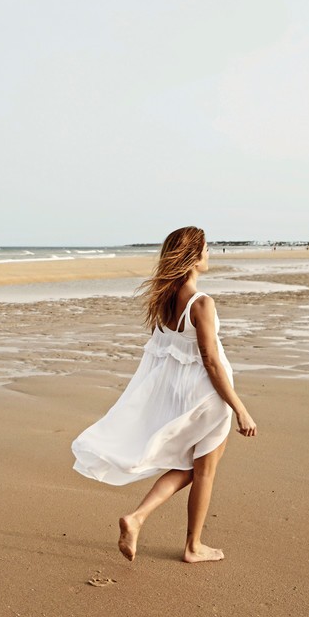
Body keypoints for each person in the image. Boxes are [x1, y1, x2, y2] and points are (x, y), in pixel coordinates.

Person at [71, 226, 257, 563]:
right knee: (204, 470)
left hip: (181, 394)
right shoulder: (201, 303)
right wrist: (240, 408)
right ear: (193, 257)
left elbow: (165, 356)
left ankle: (137, 518)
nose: (209, 254)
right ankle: (193, 546)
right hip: (208, 397)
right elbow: (212, 363)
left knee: (189, 466)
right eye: (206, 249)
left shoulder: (164, 302)